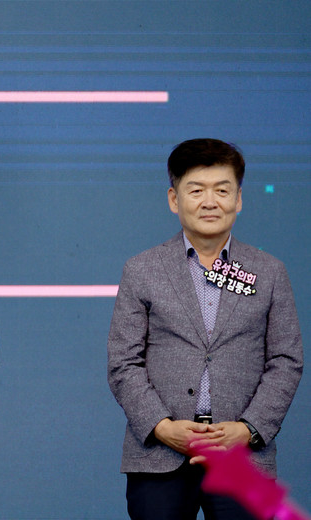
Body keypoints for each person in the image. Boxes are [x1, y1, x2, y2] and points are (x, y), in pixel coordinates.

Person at [107, 138, 303, 519]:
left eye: (222, 190)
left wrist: (247, 429)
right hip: (160, 456)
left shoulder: (269, 272)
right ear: (174, 199)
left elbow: (286, 360)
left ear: (239, 200)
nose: (210, 202)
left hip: (243, 456)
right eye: (196, 190)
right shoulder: (141, 270)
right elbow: (123, 362)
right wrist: (163, 428)